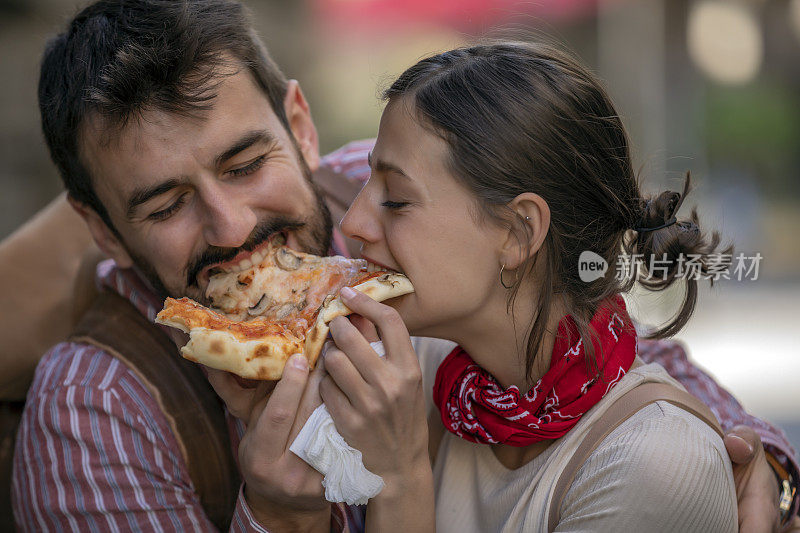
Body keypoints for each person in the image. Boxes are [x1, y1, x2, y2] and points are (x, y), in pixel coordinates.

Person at [3, 0, 796, 531]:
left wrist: (757, 457)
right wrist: (277, 518)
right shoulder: (92, 414)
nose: (233, 224)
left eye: (246, 164)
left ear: (301, 129)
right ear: (102, 232)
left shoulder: (391, 196)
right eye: (166, 204)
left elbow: (589, 333)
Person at [315, 41, 799, 531]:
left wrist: (398, 478)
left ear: (519, 232)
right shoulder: (417, 367)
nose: (353, 222)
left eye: (395, 200)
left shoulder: (655, 464)